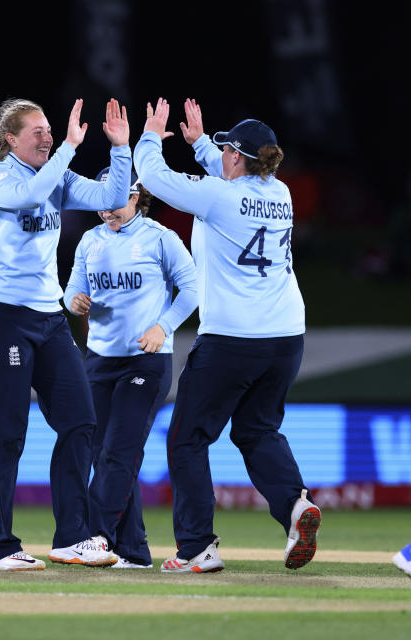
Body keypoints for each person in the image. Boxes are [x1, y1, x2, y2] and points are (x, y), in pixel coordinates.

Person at [134, 98, 320, 573]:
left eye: (225, 152)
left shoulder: (220, 196)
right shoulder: (280, 193)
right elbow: (227, 177)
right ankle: (296, 505)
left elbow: (153, 177)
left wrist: (153, 134)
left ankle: (197, 547)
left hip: (233, 339)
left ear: (236, 156)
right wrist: (199, 144)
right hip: (286, 338)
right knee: (257, 429)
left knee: (188, 438)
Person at [0, 97, 132, 571]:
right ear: (10, 140)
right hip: (2, 317)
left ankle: (72, 538)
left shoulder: (54, 175)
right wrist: (70, 149)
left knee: (81, 422)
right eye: (37, 131)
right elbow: (30, 196)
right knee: (7, 436)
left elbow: (111, 199)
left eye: (49, 130)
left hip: (48, 317)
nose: (48, 136)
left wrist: (119, 149)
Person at [63, 168, 197, 570]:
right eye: (101, 202)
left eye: (116, 200)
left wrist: (164, 326)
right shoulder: (90, 241)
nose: (107, 210)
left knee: (119, 451)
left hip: (147, 360)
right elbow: (70, 290)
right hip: (99, 360)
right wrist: (77, 302)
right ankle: (134, 551)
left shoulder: (160, 238)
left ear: (137, 196)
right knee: (106, 454)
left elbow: (192, 288)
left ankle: (95, 536)